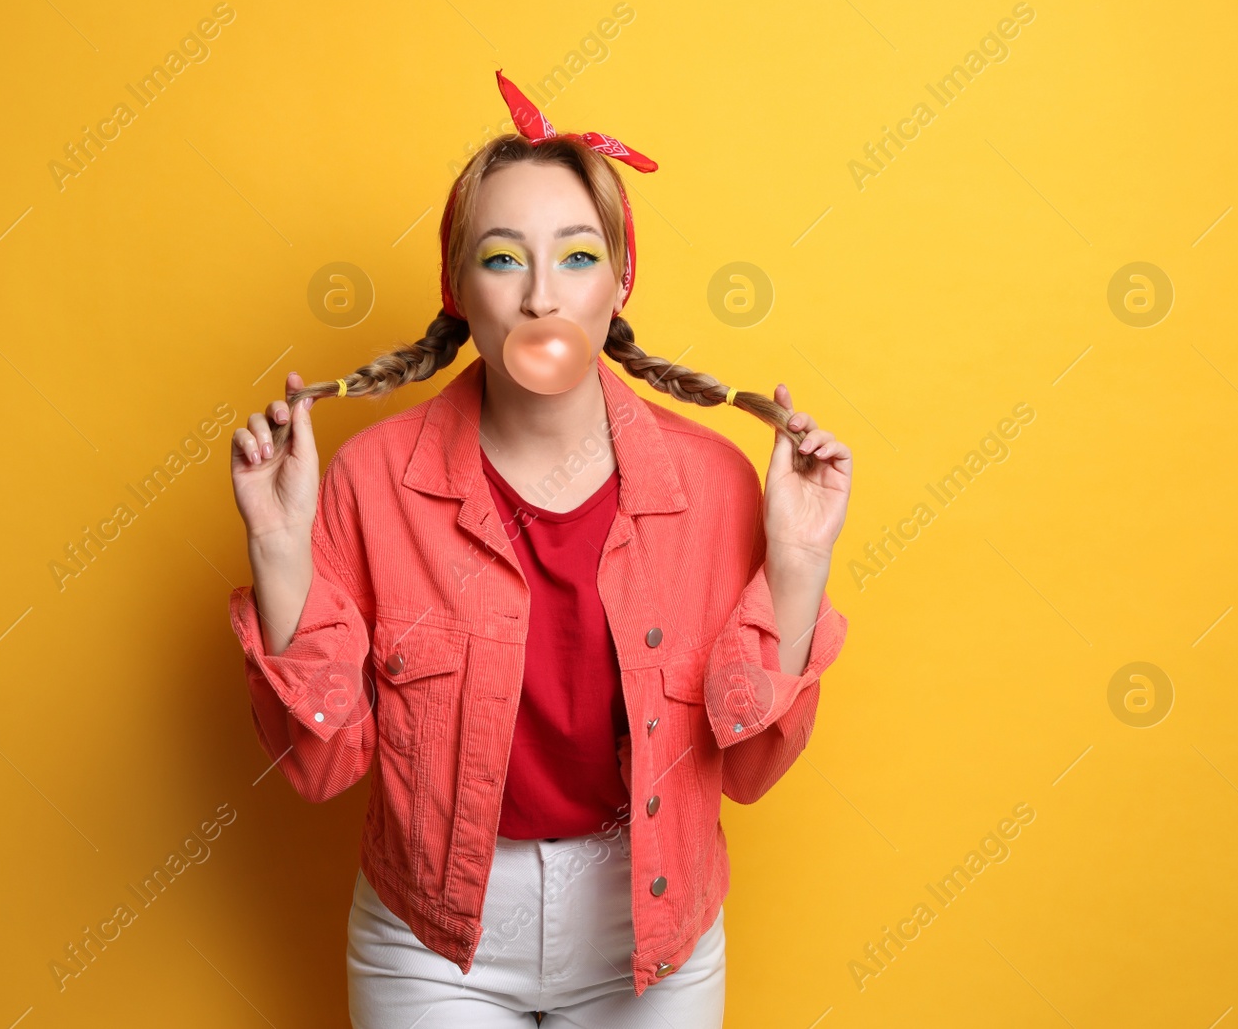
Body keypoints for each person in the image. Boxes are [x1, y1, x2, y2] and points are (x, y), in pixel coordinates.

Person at [227, 70, 852, 1028]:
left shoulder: (720, 485)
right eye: (505, 259)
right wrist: (278, 548)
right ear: (458, 288)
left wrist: (799, 563)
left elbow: (754, 768)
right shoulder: (366, 480)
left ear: (620, 280)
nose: (541, 297)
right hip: (432, 940)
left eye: (576, 256)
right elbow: (321, 768)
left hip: (653, 929)